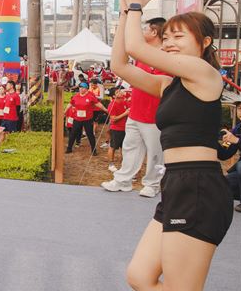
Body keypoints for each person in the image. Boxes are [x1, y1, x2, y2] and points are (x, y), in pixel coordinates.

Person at [112, 0, 234, 291]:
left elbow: (137, 46)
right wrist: (123, 13)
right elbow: (120, 62)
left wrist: (136, 8)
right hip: (177, 186)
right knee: (140, 276)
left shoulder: (205, 75)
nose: (167, 42)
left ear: (205, 43)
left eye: (178, 36)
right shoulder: (171, 85)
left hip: (200, 188)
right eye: (165, 36)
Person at [102, 17, 168, 197]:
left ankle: (153, 184)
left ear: (155, 32)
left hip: (155, 116)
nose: (143, 32)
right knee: (130, 147)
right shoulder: (141, 55)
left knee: (156, 153)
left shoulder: (166, 57)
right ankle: (123, 180)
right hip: (135, 112)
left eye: (146, 29)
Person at [65, 82, 108, 155]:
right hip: (77, 119)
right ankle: (69, 148)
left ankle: (93, 150)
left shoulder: (90, 97)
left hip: (87, 120)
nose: (80, 89)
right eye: (80, 87)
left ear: (86, 89)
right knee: (73, 134)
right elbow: (70, 103)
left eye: (82, 87)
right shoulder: (76, 96)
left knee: (90, 134)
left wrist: (106, 110)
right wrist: (65, 111)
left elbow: (98, 104)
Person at [106, 88, 130, 172]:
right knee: (113, 147)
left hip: (125, 128)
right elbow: (113, 119)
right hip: (116, 129)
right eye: (117, 92)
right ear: (114, 96)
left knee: (124, 148)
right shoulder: (112, 105)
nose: (120, 92)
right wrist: (125, 113)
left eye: (120, 91)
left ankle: (123, 164)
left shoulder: (124, 102)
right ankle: (111, 164)